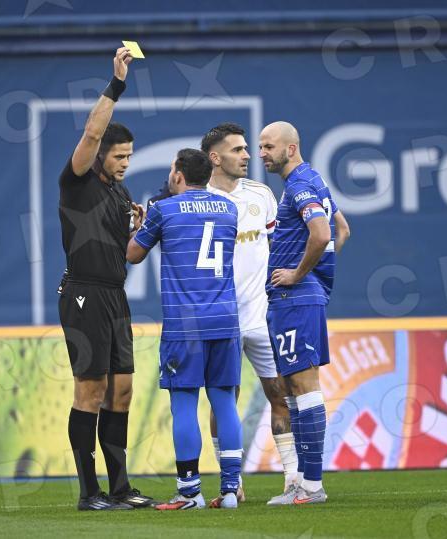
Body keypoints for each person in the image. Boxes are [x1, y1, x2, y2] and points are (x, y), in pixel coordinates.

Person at [58, 46, 155, 511]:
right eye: (118, 156)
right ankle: (88, 492)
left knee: (122, 391)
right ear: (98, 155)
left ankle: (120, 488)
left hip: (115, 296)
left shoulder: (121, 193)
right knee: (91, 391)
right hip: (83, 295)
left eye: (129, 156)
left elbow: (127, 257)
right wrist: (117, 84)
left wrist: (136, 228)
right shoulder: (77, 178)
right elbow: (93, 130)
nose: (124, 163)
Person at [127, 149, 243, 510]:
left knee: (184, 404)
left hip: (185, 325)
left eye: (171, 169)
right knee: (225, 402)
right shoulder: (229, 209)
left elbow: (133, 254)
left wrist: (138, 227)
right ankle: (230, 491)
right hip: (225, 319)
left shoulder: (163, 209)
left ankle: (190, 492)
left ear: (178, 175)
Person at [201, 123, 298, 505]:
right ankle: (232, 482)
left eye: (247, 148)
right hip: (221, 320)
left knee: (281, 394)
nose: (247, 156)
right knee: (224, 401)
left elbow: (278, 247)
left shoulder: (261, 194)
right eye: (238, 150)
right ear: (215, 158)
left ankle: (293, 479)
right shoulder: (198, 199)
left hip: (261, 317)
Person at [258, 121, 349, 506]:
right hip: (296, 299)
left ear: (290, 148)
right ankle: (304, 484)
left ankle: (312, 485)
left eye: (268, 146)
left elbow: (323, 233)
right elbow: (343, 229)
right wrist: (315, 275)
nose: (262, 153)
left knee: (305, 388)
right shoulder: (315, 181)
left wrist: (300, 274)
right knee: (293, 389)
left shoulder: (298, 186)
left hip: (295, 298)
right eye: (260, 146)